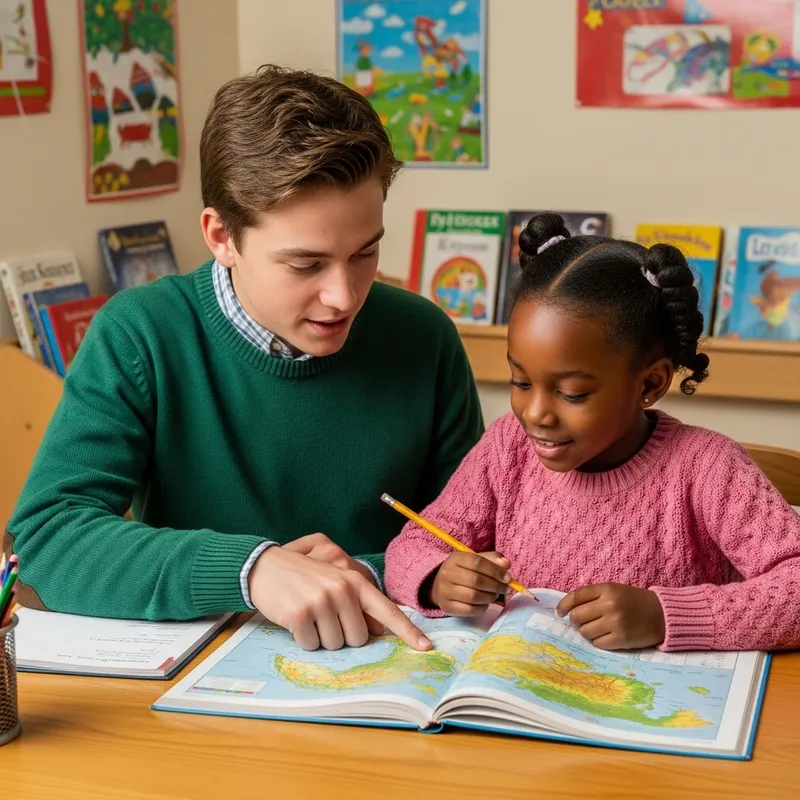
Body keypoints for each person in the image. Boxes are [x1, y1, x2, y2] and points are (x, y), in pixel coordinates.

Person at [6, 65, 484, 652]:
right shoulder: (141, 334)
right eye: (306, 264)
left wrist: (366, 573)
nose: (343, 296)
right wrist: (252, 570)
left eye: (365, 252)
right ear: (221, 236)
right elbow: (46, 542)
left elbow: (473, 544)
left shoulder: (425, 337)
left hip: (389, 666)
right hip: (190, 696)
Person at [385, 213, 800, 653]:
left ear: (650, 384)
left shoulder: (707, 469)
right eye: (521, 382)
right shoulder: (507, 447)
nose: (536, 413)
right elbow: (411, 545)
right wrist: (436, 578)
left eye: (572, 393)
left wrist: (666, 615)